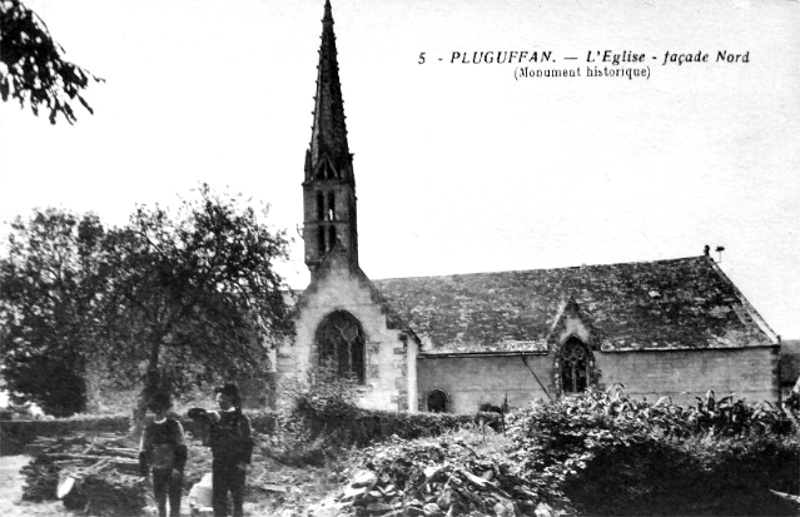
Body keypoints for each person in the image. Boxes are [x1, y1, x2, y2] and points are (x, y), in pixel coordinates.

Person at [188, 383, 253, 517]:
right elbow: (194, 416)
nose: (219, 402)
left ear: (230, 398)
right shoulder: (214, 417)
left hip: (236, 464)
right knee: (218, 497)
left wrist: (243, 462)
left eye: (222, 398)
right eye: (218, 399)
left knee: (237, 498)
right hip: (219, 462)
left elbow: (248, 442)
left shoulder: (241, 419)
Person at [139, 392, 187, 517]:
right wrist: (144, 471)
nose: (158, 412)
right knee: (160, 501)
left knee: (174, 501)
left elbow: (182, 447)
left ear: (166, 410)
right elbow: (143, 450)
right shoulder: (148, 428)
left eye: (161, 409)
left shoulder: (175, 425)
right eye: (155, 409)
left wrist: (178, 468)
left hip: (173, 468)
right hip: (157, 468)